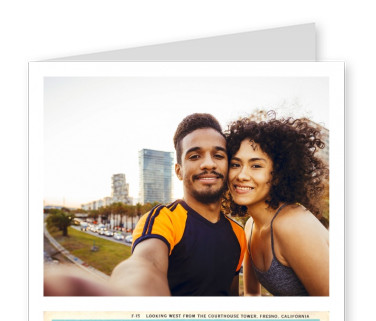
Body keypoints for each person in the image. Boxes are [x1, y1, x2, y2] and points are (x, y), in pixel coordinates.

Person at [44, 113, 246, 296]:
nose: (208, 163)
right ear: (178, 171)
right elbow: (144, 264)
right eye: (194, 156)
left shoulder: (238, 233)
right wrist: (129, 297)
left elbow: (230, 294)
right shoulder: (163, 219)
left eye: (218, 155)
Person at [224, 115, 329, 296]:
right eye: (235, 164)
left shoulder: (295, 224)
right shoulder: (250, 226)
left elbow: (334, 309)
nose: (241, 175)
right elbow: (252, 296)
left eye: (256, 166)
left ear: (278, 174)